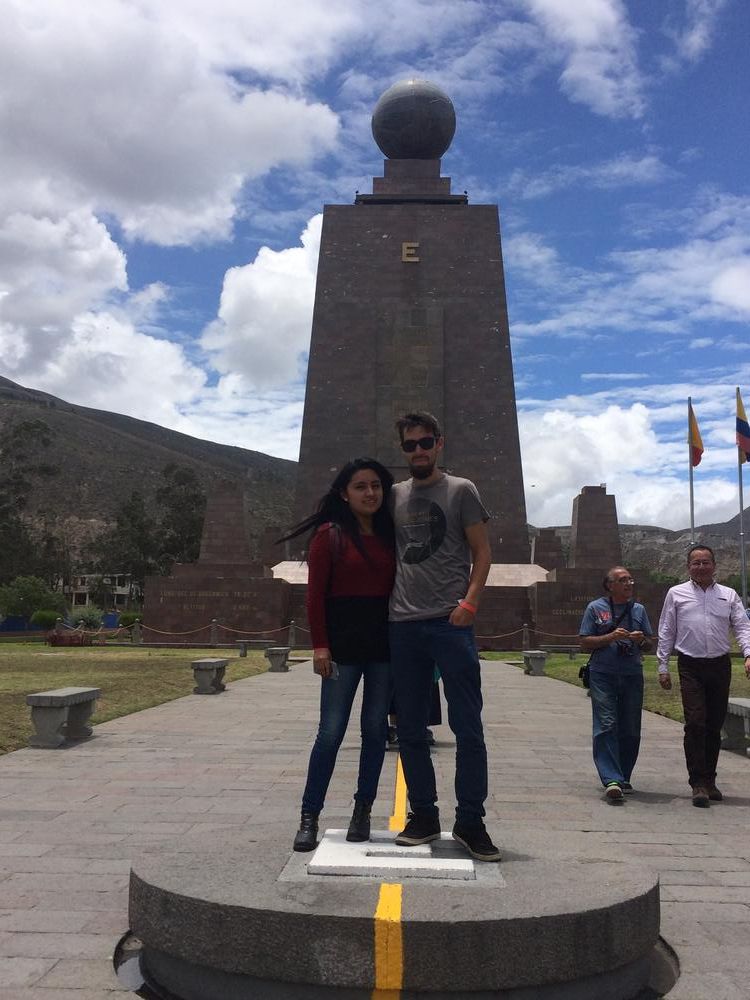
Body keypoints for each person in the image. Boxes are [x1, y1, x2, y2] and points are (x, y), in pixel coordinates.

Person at [387, 411, 500, 861]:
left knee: (468, 727)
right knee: (410, 728)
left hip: (449, 624)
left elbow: (482, 551)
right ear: (403, 449)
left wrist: (469, 602)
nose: (418, 450)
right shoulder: (392, 496)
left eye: (425, 442)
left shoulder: (461, 490)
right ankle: (425, 816)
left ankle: (471, 822)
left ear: (440, 443)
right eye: (410, 444)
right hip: (403, 626)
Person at [279, 458, 396, 850]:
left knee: (376, 731)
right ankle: (309, 815)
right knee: (330, 733)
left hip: (383, 647)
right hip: (342, 650)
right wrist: (319, 645)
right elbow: (315, 596)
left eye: (376, 486)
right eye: (361, 486)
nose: (369, 493)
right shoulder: (329, 535)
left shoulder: (388, 534)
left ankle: (362, 811)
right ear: (345, 493)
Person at [657, 545, 750, 807]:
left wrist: (748, 654)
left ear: (714, 565)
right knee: (696, 722)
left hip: (720, 665)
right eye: (696, 563)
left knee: (713, 725)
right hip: (690, 666)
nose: (701, 567)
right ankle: (697, 782)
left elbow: (742, 626)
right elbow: (667, 630)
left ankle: (710, 780)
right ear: (688, 567)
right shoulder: (676, 594)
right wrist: (663, 666)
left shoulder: (728, 595)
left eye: (705, 562)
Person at [579, 568, 653, 803]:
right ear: (609, 585)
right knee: (607, 723)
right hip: (603, 674)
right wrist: (610, 638)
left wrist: (640, 639)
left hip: (631, 674)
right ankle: (611, 778)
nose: (628, 583)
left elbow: (648, 645)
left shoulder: (639, 610)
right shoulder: (595, 608)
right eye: (622, 580)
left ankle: (623, 774)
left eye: (630, 579)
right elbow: (584, 642)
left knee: (631, 727)